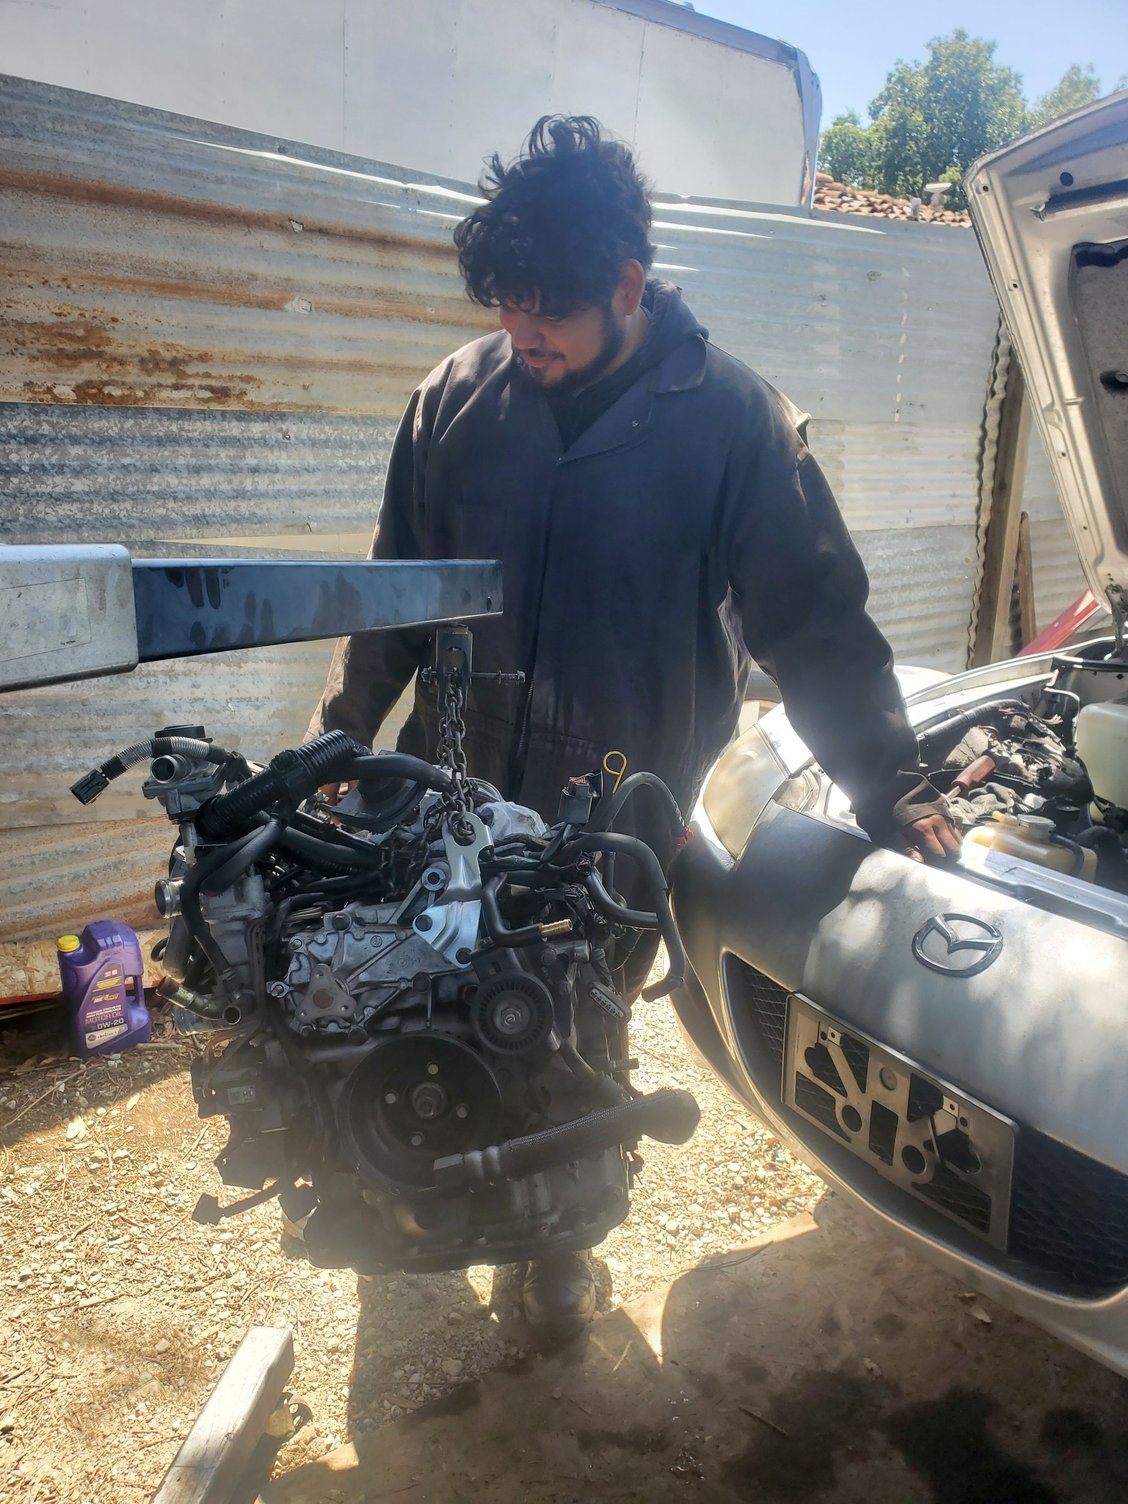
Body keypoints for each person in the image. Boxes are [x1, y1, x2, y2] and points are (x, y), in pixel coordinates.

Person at [309, 115, 960, 1339]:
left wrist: (893, 782)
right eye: (506, 304)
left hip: (614, 816)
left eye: (548, 308)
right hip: (456, 795)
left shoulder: (734, 424)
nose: (523, 332)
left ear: (627, 282)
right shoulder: (454, 403)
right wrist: (340, 736)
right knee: (439, 999)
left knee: (573, 1031)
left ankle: (553, 1249)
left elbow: (814, 623)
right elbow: (394, 590)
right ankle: (417, 1199)